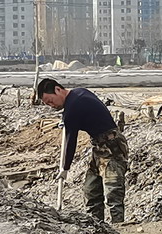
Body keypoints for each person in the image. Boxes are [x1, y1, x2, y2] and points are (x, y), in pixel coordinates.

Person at [37, 78, 128, 224]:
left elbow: (71, 140)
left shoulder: (73, 106)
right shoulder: (79, 93)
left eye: (51, 101)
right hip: (98, 147)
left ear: (58, 90)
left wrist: (65, 167)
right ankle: (97, 225)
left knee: (112, 189)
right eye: (48, 104)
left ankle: (119, 226)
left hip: (112, 145)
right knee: (91, 189)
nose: (52, 106)